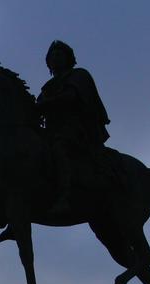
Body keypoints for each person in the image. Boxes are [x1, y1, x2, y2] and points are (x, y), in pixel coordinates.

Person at [37, 39, 112, 216]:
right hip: (52, 131)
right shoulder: (47, 88)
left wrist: (45, 104)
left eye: (59, 54)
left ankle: (66, 196)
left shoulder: (78, 75)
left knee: (59, 148)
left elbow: (71, 96)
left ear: (68, 58)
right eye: (52, 55)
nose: (55, 58)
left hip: (76, 130)